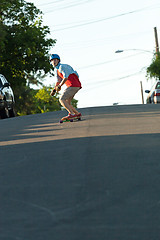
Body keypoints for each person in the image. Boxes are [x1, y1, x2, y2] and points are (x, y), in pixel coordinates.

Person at [50, 54, 82, 119]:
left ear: (58, 60)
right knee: (67, 102)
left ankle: (72, 114)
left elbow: (65, 77)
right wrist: (54, 89)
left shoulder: (62, 67)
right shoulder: (57, 70)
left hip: (73, 84)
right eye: (52, 60)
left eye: (55, 60)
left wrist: (60, 86)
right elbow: (58, 81)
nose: (54, 62)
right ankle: (77, 114)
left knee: (62, 99)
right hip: (75, 85)